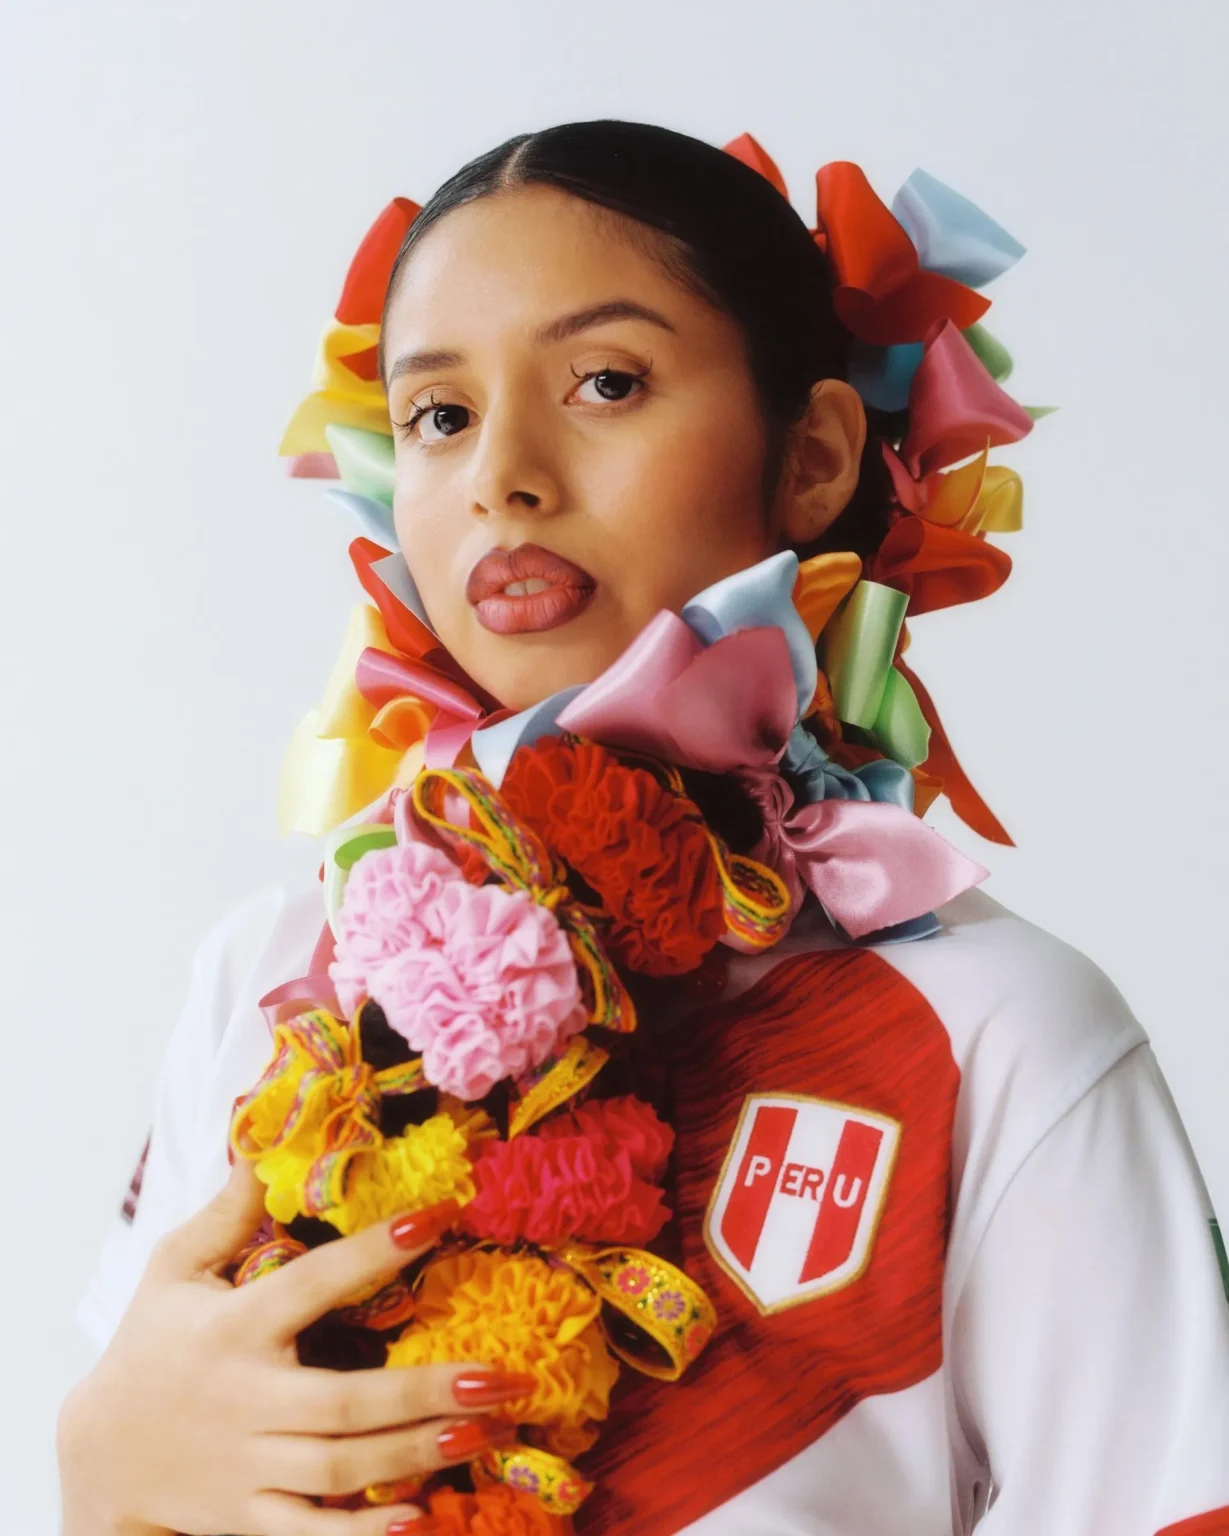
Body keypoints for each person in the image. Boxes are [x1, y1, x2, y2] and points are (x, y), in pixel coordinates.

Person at [59, 119, 1229, 1536]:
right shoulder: (272, 975)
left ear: (813, 457)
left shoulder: (1002, 1031)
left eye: (606, 383)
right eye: (440, 415)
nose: (502, 473)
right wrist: (100, 1471)